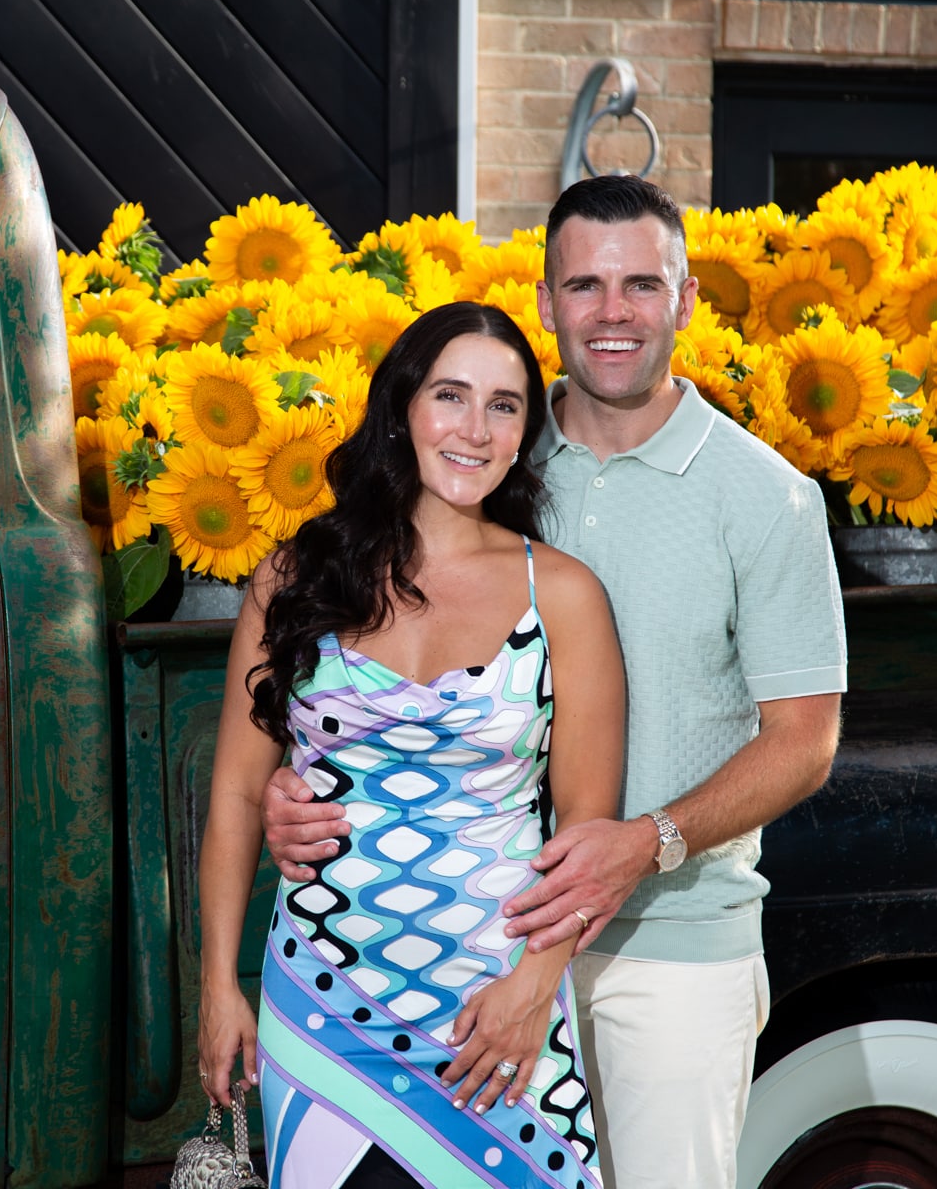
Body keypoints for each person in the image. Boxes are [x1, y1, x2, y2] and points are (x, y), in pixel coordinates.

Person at [263, 176, 847, 1189]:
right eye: (585, 285)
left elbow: (805, 740)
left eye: (641, 285)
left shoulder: (766, 497)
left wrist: (648, 843)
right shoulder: (485, 449)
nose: (613, 312)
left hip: (672, 948)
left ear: (687, 299)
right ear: (545, 303)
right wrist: (302, 784)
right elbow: (360, 652)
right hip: (471, 942)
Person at [197, 300, 625, 1188]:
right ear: (401, 408)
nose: (475, 429)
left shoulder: (563, 595)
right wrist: (218, 987)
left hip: (496, 1008)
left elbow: (587, 831)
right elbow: (238, 792)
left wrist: (534, 989)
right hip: (324, 1007)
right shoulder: (294, 577)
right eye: (450, 396)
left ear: (524, 434)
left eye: (504, 406)